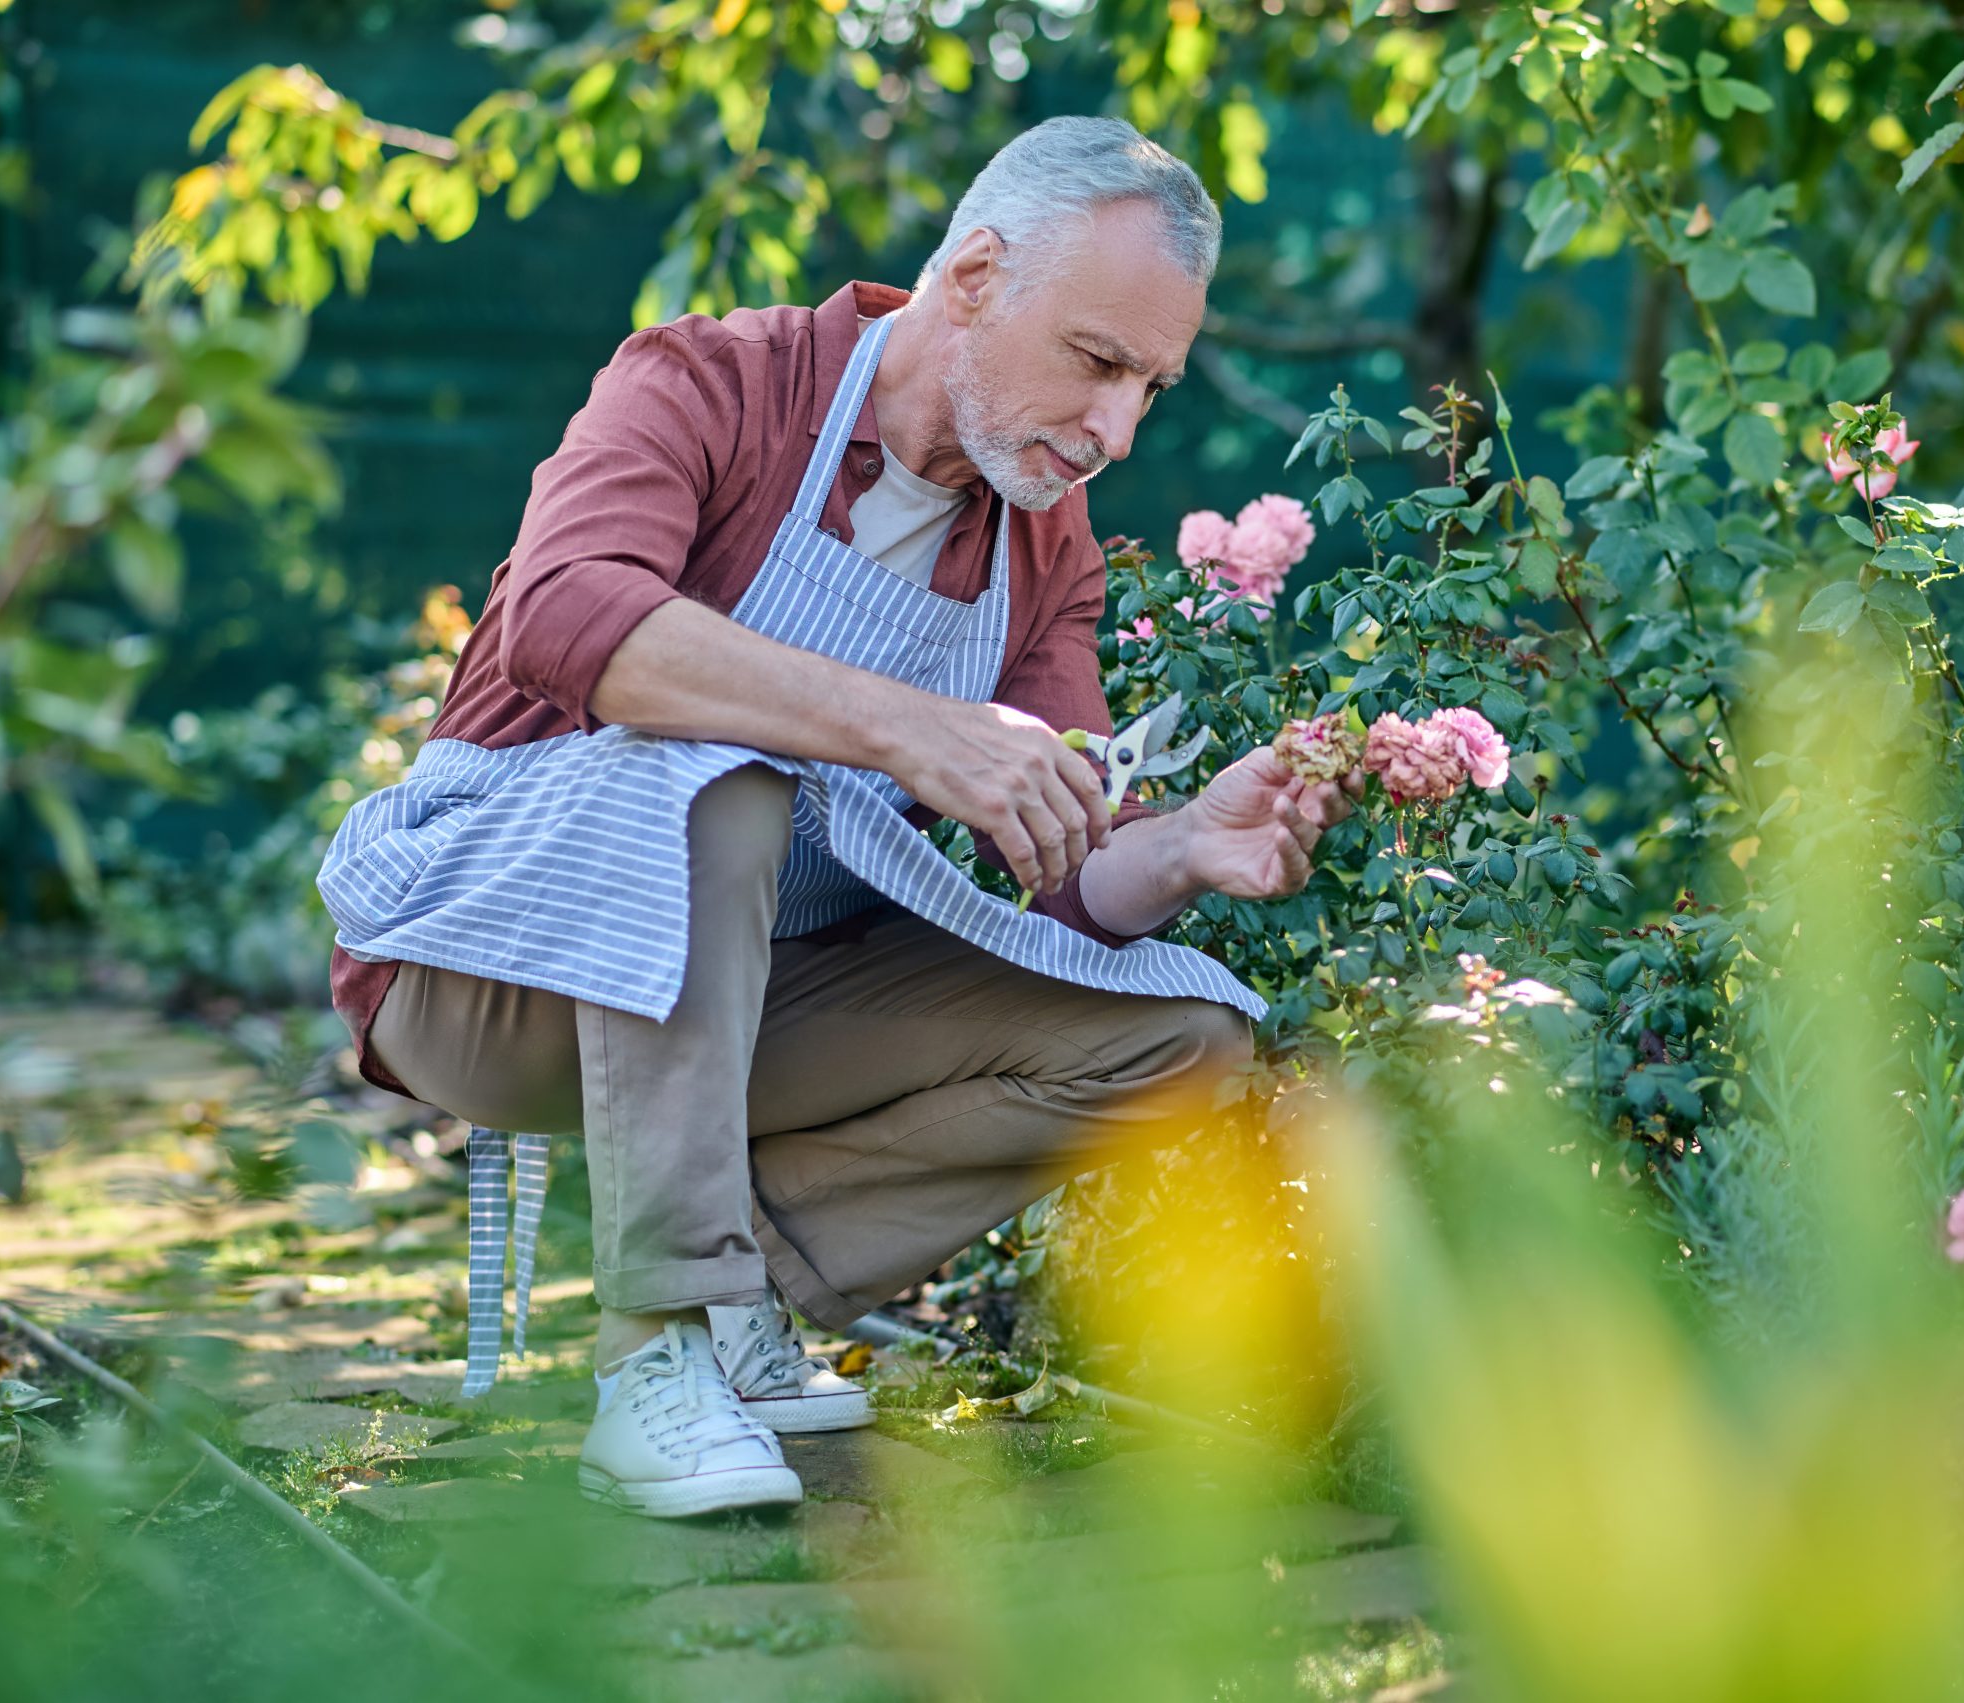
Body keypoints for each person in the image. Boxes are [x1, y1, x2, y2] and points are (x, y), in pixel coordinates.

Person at [315, 117, 1356, 1518]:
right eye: (1099, 363)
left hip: (757, 1014)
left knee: (1178, 1033)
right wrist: (912, 727)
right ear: (976, 275)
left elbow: (1051, 864)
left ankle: (730, 1290)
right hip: (489, 971)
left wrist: (1178, 846)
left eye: (1152, 389)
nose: (1116, 429)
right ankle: (650, 1361)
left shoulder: (1042, 549)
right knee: (721, 779)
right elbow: (568, 620)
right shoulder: (706, 382)